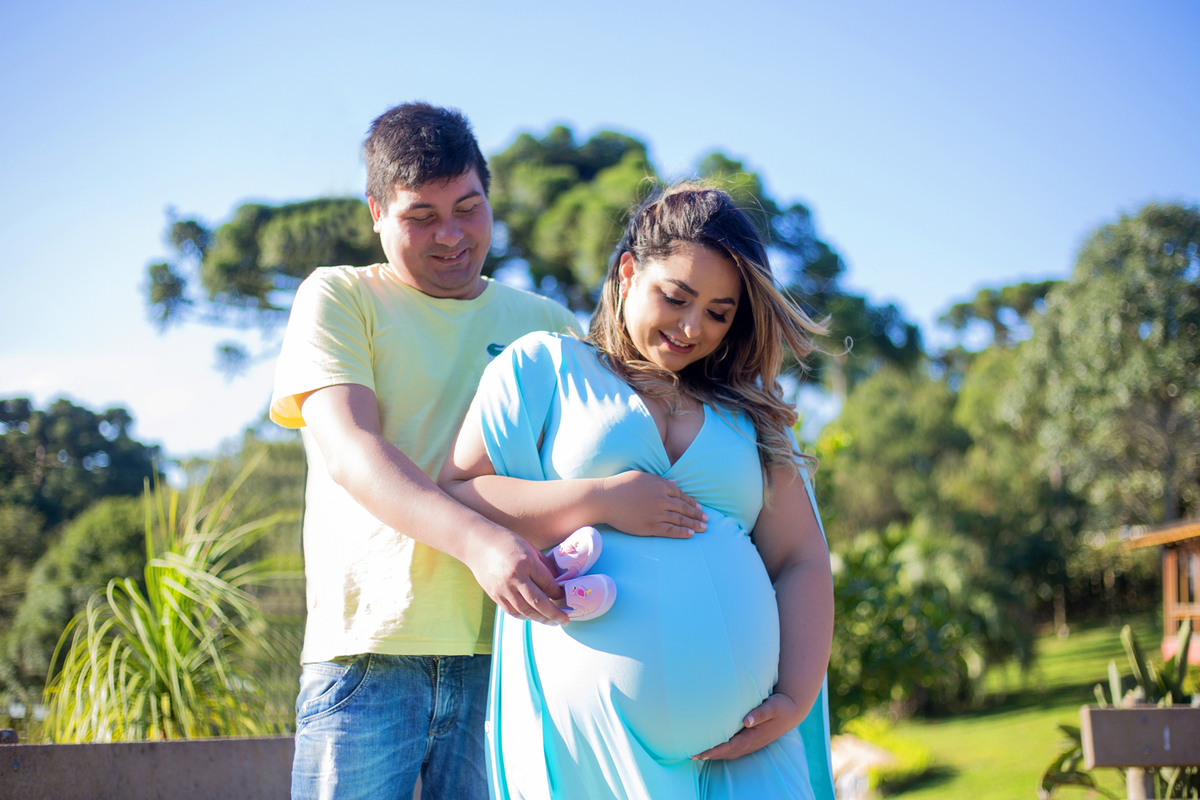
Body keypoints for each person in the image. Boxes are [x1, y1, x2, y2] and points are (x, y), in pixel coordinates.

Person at [439, 183, 837, 799]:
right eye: (675, 297)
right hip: (596, 750)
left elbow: (801, 559)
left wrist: (795, 696)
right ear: (628, 271)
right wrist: (601, 500)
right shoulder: (543, 367)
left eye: (718, 313)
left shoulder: (750, 415)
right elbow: (461, 492)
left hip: (749, 745)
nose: (690, 327)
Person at [269, 102, 596, 800]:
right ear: (376, 212)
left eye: (469, 208)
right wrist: (481, 542)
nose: (451, 235)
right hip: (369, 654)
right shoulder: (338, 297)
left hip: (512, 651)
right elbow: (354, 452)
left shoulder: (548, 324)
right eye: (421, 217)